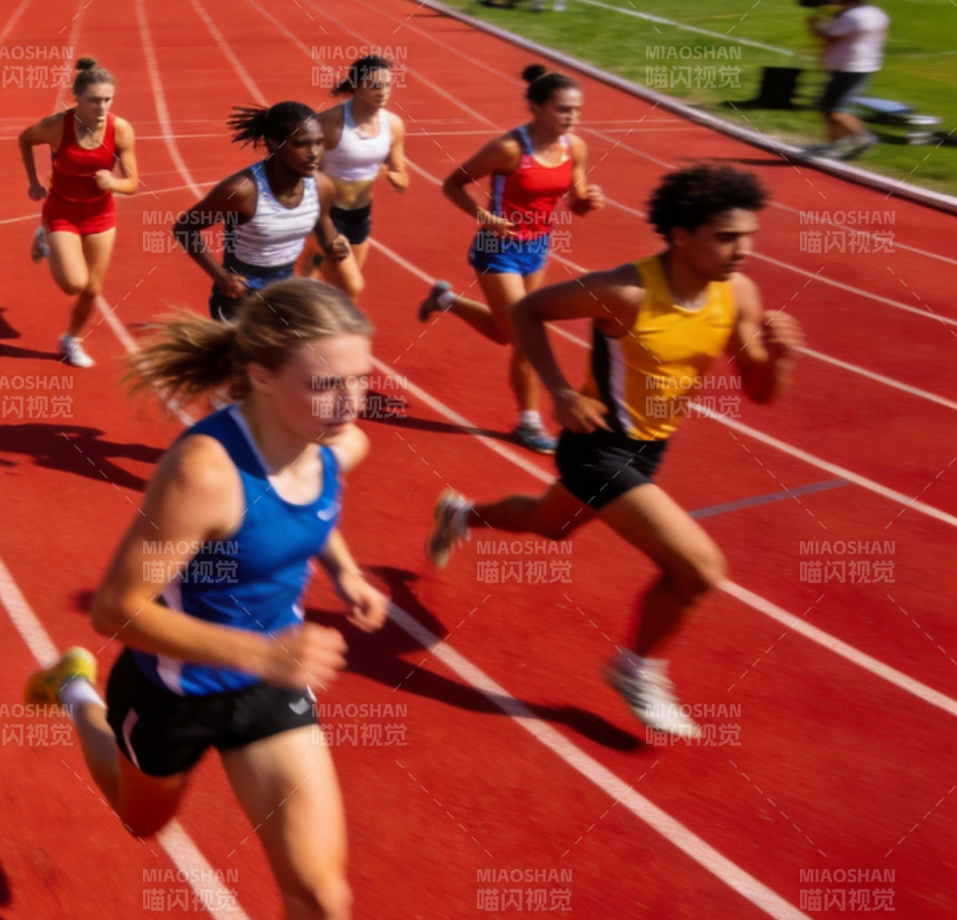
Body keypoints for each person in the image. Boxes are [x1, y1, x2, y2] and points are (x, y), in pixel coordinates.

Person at [23, 281, 406, 920]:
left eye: (360, 380)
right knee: (140, 818)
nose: (349, 403)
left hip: (267, 698)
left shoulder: (335, 438)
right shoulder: (203, 472)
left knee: (323, 896)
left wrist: (344, 572)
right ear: (262, 377)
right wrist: (260, 652)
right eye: (326, 385)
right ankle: (78, 693)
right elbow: (119, 609)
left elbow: (323, 499)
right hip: (178, 685)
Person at [427, 165, 804, 739]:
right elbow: (528, 311)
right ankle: (637, 670)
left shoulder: (739, 294)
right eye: (726, 237)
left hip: (651, 449)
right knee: (699, 571)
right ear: (681, 235)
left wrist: (779, 359)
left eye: (748, 236)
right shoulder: (623, 290)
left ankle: (462, 514)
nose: (742, 250)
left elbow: (759, 392)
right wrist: (558, 390)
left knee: (547, 525)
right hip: (597, 445)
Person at [418, 65, 602, 453]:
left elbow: (577, 198)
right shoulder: (508, 149)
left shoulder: (576, 148)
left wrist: (587, 201)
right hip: (497, 249)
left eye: (577, 110)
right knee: (525, 339)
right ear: (536, 108)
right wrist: (486, 217)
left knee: (507, 333)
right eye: (563, 109)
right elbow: (453, 184)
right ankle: (529, 422)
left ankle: (444, 300)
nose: (572, 117)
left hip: (537, 248)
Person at [172, 102, 351, 323]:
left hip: (283, 294)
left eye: (319, 143)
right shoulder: (241, 191)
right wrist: (221, 277)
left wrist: (333, 242)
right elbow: (185, 228)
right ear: (274, 144)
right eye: (301, 144)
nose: (313, 153)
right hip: (239, 299)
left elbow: (322, 220)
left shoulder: (322, 186)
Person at [18, 57, 140, 367]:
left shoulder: (121, 130)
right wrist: (33, 181)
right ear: (77, 98)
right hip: (62, 213)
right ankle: (46, 239)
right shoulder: (58, 126)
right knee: (74, 283)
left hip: (100, 217)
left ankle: (72, 338)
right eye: (94, 100)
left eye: (107, 99)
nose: (101, 107)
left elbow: (133, 183)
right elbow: (25, 139)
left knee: (92, 289)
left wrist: (113, 182)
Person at [298, 54, 408, 299]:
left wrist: (398, 177)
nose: (383, 92)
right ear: (356, 86)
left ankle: (312, 265)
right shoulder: (330, 123)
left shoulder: (393, 124)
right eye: (375, 86)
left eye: (387, 85)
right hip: (326, 214)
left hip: (360, 216)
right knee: (351, 288)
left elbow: (399, 168)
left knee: (344, 291)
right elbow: (305, 168)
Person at [804, 0, 889, 160]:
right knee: (828, 106)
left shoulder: (852, 16)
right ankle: (833, 144)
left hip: (849, 67)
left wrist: (814, 25)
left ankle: (864, 137)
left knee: (835, 109)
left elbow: (830, 36)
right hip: (861, 65)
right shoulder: (876, 13)